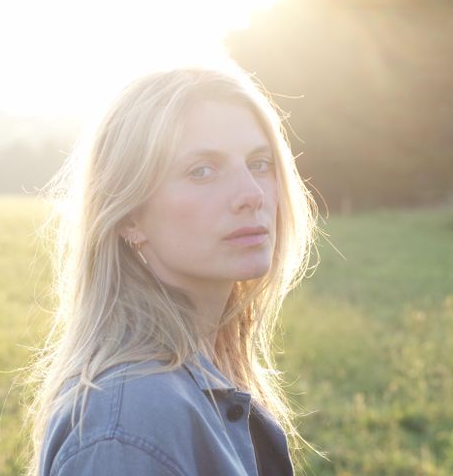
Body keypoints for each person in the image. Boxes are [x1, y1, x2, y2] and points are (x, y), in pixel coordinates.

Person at [24, 59, 318, 476]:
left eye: (259, 163)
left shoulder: (201, 373)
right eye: (202, 171)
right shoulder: (129, 426)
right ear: (129, 217)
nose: (251, 195)